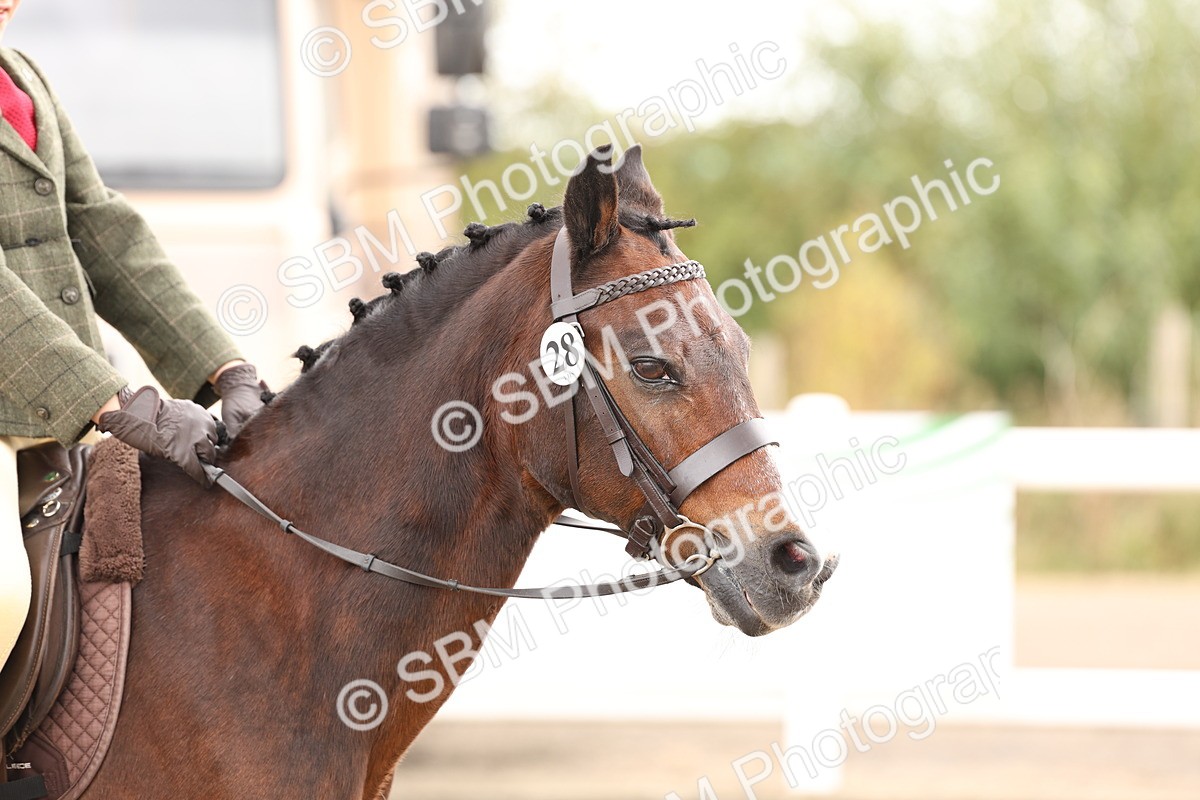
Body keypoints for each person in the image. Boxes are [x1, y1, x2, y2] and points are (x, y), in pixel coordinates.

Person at [0, 0, 264, 669]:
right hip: (46, 398)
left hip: (67, 398)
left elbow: (102, 225)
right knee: (4, 593)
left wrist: (225, 369)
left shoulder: (23, 74)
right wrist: (122, 404)